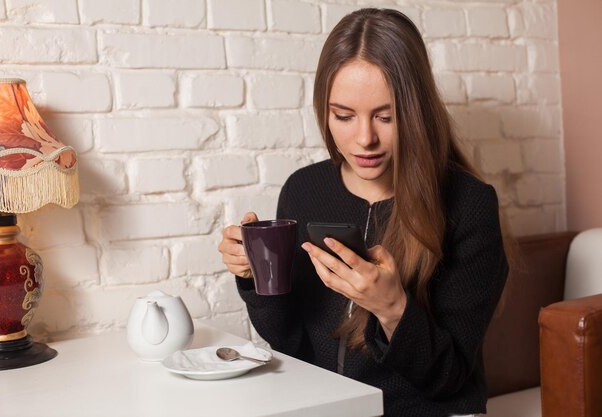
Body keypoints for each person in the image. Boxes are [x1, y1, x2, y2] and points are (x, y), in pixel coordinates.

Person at [218, 8, 508, 417]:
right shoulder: (305, 189)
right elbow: (290, 345)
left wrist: (392, 309)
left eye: (386, 116)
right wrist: (254, 276)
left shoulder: (468, 204)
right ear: (325, 111)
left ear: (416, 111)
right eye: (344, 116)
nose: (365, 138)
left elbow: (451, 379)